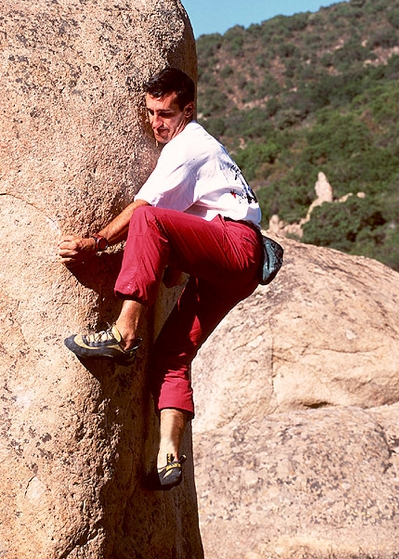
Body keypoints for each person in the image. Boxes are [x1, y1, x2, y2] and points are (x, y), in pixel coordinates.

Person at [59, 67, 262, 489]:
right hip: (231, 268)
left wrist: (96, 242)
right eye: (150, 113)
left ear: (187, 110)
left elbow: (145, 210)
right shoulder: (191, 144)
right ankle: (169, 456)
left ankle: (122, 333)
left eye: (166, 114)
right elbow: (177, 255)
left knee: (149, 220)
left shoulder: (189, 146)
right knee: (173, 354)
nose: (156, 123)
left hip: (237, 246)